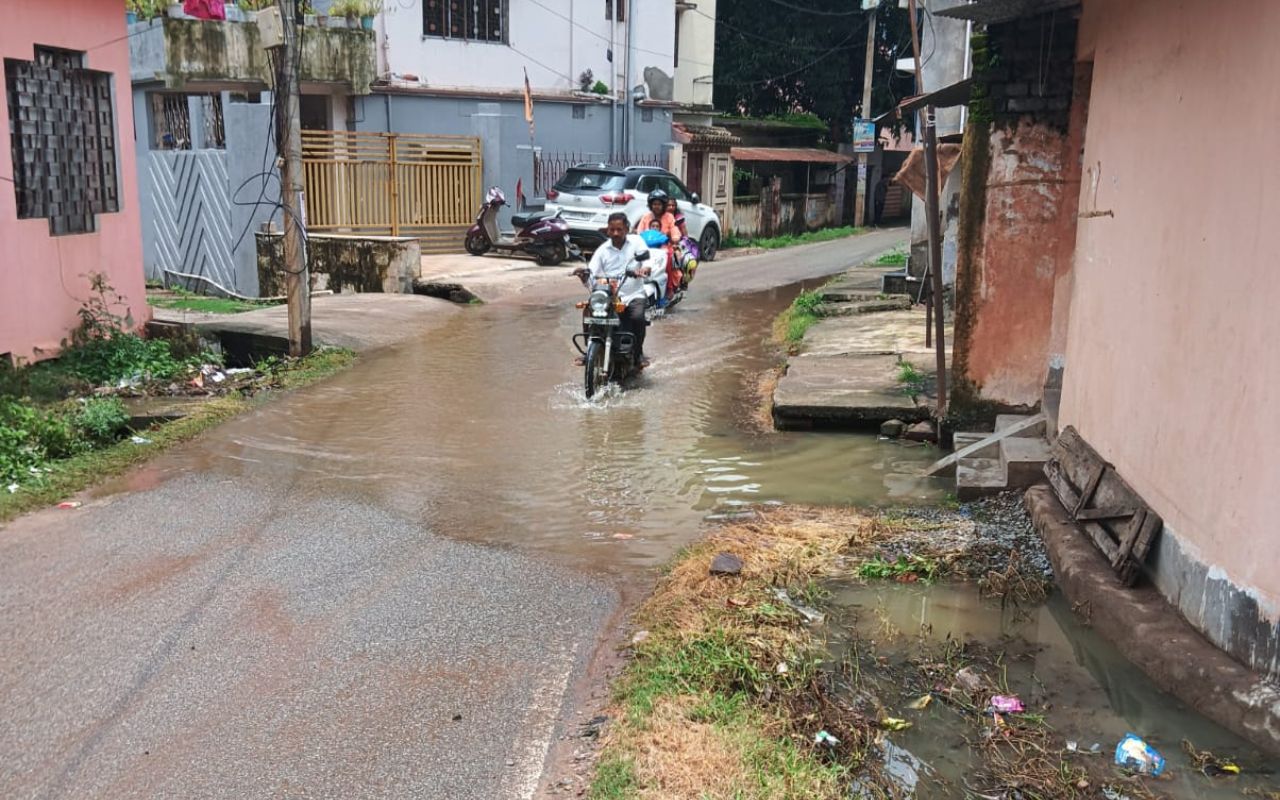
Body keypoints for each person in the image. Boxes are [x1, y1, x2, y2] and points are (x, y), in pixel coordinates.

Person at [576, 212, 652, 368]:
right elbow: (592, 272)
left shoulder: (637, 242)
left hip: (633, 295)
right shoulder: (602, 250)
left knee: (638, 317)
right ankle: (589, 350)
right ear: (608, 230)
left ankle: (638, 355)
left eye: (619, 229)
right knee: (588, 311)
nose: (616, 233)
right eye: (612, 230)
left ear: (626, 229)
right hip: (609, 296)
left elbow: (647, 260)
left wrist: (644, 269)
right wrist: (584, 275)